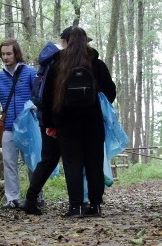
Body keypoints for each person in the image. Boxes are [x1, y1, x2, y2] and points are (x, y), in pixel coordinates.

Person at [39, 26, 116, 218]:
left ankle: (76, 206)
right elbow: (111, 93)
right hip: (93, 122)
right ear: (85, 42)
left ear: (65, 42)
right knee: (94, 163)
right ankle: (95, 206)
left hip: (66, 123)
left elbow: (47, 98)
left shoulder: (57, 65)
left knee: (72, 164)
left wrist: (50, 124)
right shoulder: (97, 65)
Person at [0, 39, 36, 209]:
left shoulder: (30, 73)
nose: (5, 57)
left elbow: (39, 95)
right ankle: (12, 199)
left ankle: (35, 196)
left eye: (9, 53)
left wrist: (32, 108)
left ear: (16, 53)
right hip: (9, 126)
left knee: (32, 163)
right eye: (3, 54)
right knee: (9, 163)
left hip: (28, 127)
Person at [23, 27, 75, 215]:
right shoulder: (61, 59)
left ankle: (30, 198)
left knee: (48, 160)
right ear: (67, 41)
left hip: (47, 117)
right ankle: (76, 203)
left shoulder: (49, 58)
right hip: (58, 118)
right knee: (69, 159)